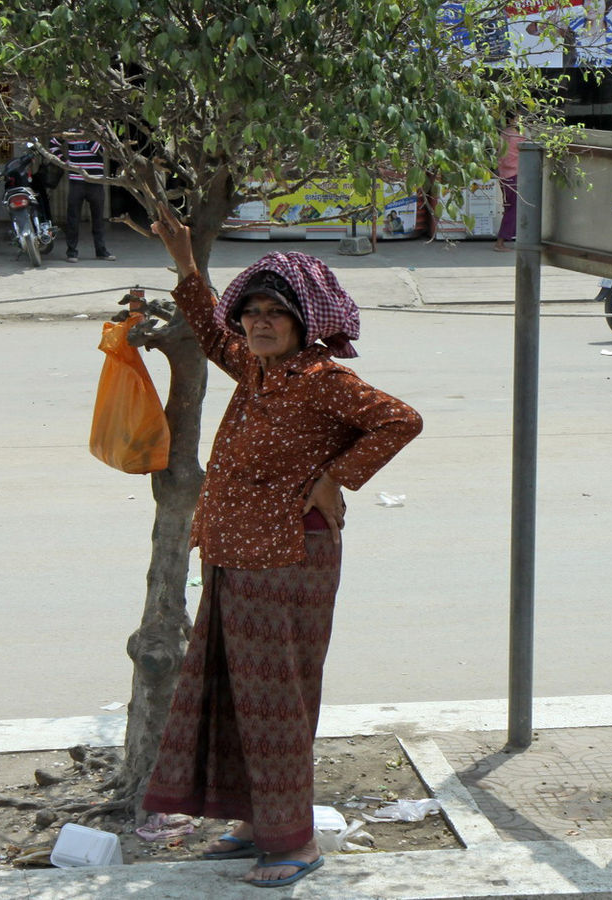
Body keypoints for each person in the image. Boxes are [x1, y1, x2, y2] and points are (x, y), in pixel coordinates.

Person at [143, 204, 422, 888]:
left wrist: (335, 477)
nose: (258, 323)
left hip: (289, 559)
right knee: (235, 695)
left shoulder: (323, 380)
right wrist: (186, 267)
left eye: (275, 312)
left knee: (277, 703)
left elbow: (401, 420)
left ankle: (293, 841)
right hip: (233, 555)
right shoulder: (261, 370)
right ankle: (254, 823)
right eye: (253, 311)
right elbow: (211, 332)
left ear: (305, 322)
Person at [50, 135, 115, 262]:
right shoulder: (70, 132)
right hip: (76, 182)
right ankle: (72, 253)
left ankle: (101, 251)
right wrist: (65, 162)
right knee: (73, 219)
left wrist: (89, 135)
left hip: (96, 181)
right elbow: (52, 144)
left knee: (98, 220)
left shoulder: (98, 131)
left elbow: (101, 151)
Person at [493, 112, 523, 251]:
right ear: (512, 119)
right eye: (518, 117)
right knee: (513, 210)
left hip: (504, 175)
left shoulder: (503, 134)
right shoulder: (516, 137)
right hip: (514, 175)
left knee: (508, 208)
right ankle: (500, 242)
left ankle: (504, 239)